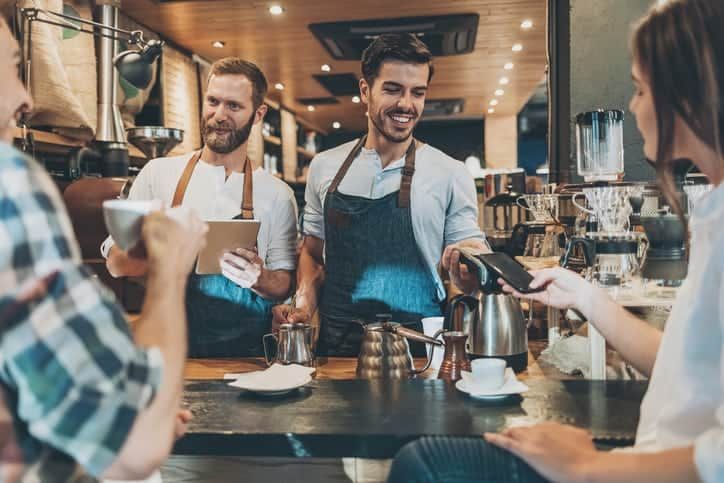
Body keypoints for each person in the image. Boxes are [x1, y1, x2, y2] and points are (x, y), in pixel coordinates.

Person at [386, 0, 724, 481]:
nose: (633, 105)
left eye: (641, 89)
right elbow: (685, 365)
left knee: (424, 464)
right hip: (643, 458)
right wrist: (584, 296)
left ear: (688, 94)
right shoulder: (713, 212)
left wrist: (587, 466)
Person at [0, 12, 208, 481]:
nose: (27, 98)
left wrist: (124, 396)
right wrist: (170, 268)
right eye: (14, 68)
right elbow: (134, 444)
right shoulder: (9, 185)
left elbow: (33, 384)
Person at [273, 33, 488, 357]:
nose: (406, 104)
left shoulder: (450, 172)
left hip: (419, 351)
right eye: (392, 89)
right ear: (365, 90)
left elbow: (470, 261)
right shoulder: (325, 167)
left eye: (417, 93)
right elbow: (314, 256)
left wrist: (471, 262)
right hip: (338, 349)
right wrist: (302, 303)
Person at [104, 57, 298, 357]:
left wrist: (258, 277)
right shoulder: (157, 174)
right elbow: (116, 264)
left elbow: (283, 284)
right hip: (169, 351)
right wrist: (152, 248)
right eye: (213, 101)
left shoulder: (277, 194)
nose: (219, 115)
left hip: (249, 358)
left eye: (233, 106)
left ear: (258, 114)